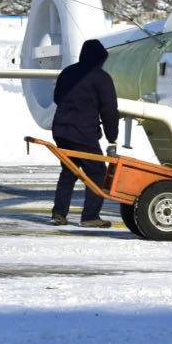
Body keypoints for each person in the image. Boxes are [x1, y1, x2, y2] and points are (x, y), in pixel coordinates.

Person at [50, 39, 120, 228]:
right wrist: (112, 135)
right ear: (100, 58)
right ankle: (90, 216)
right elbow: (109, 109)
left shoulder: (68, 72)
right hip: (81, 133)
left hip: (61, 130)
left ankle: (59, 214)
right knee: (98, 173)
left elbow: (57, 98)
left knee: (69, 171)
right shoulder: (101, 77)